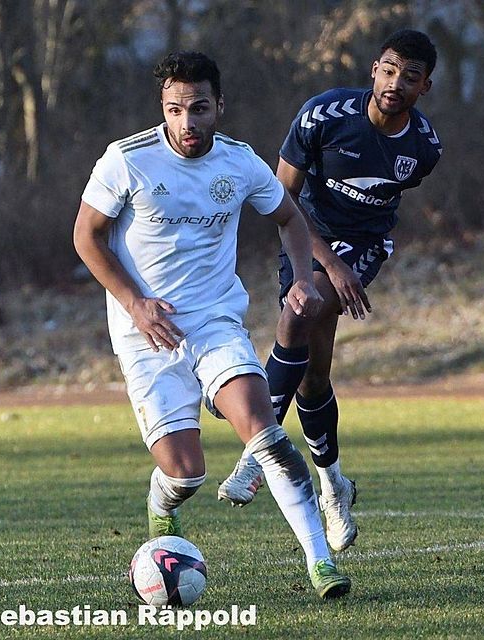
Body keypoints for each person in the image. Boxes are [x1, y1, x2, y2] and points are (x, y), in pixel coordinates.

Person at [72, 51, 351, 599]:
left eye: (199, 108)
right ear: (163, 108)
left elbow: (290, 217)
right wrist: (135, 303)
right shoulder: (126, 160)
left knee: (267, 436)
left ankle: (321, 564)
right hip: (145, 331)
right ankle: (163, 503)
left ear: (219, 106)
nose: (188, 122)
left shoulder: (240, 163)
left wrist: (303, 279)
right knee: (185, 474)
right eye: (176, 109)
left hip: (216, 321)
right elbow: (87, 236)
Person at [223, 29, 442, 553]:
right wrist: (326, 260)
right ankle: (333, 485)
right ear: (373, 69)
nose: (396, 83)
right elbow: (283, 199)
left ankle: (258, 451)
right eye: (389, 70)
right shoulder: (323, 116)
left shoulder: (423, 148)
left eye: (410, 77)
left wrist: (345, 267)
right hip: (305, 235)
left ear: (425, 87)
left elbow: (386, 210)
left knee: (301, 312)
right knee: (312, 381)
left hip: (364, 247)